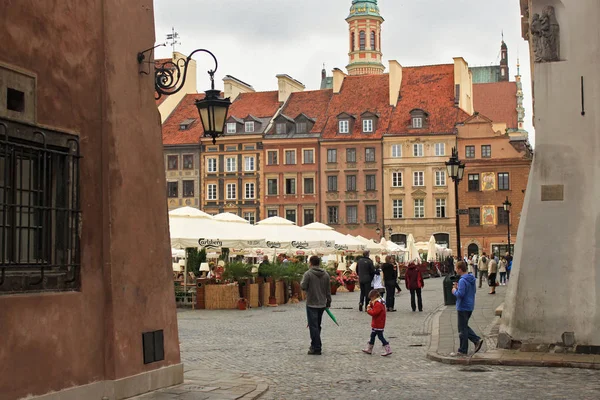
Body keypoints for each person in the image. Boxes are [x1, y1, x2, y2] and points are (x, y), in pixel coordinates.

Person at [451, 261, 484, 357]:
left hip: (462, 306)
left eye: (456, 268)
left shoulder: (462, 280)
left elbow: (460, 294)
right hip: (470, 305)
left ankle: (463, 349)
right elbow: (473, 291)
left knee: (462, 329)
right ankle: (475, 341)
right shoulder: (471, 278)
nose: (455, 270)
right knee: (464, 326)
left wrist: (454, 290)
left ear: (460, 269)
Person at [300, 255, 332, 355]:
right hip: (322, 304)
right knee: (317, 325)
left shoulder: (308, 274)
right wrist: (328, 302)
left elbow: (303, 286)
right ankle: (314, 344)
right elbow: (328, 290)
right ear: (319, 263)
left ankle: (316, 347)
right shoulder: (326, 274)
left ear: (310, 263)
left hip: (311, 303)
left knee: (313, 326)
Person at [362, 289, 392, 356]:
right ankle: (369, 349)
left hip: (378, 324)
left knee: (380, 336)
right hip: (377, 323)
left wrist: (369, 310)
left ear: (374, 297)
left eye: (371, 298)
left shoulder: (378, 304)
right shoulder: (378, 302)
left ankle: (387, 348)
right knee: (372, 336)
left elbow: (374, 313)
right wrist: (371, 305)